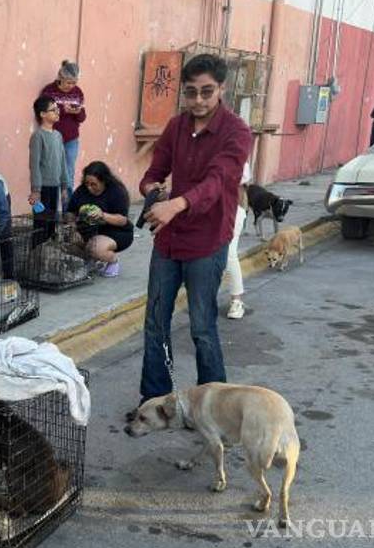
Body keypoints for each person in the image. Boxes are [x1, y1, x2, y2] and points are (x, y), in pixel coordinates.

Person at [132, 53, 252, 410]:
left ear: (221, 89)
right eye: (190, 92)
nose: (198, 100)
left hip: (207, 240)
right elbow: (153, 172)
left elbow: (218, 180)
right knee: (155, 322)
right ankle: (156, 401)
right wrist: (152, 189)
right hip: (169, 239)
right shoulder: (176, 126)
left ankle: (215, 406)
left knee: (202, 326)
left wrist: (177, 204)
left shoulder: (237, 132)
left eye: (206, 91)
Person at [65, 161, 134, 278]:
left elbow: (122, 220)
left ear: (104, 181)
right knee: (69, 240)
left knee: (95, 247)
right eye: (87, 183)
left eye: (94, 184)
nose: (89, 187)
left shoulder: (116, 192)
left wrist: (103, 215)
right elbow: (70, 212)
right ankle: (91, 260)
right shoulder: (81, 191)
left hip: (115, 232)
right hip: (88, 230)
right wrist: (71, 224)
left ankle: (112, 260)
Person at [39, 60, 86, 199]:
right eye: (68, 82)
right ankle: (49, 206)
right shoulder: (49, 91)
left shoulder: (78, 92)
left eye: (74, 83)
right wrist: (63, 111)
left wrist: (77, 112)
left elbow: (82, 117)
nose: (71, 86)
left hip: (71, 139)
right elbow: (42, 114)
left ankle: (67, 207)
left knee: (68, 173)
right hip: (51, 138)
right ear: (60, 77)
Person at [29, 96, 70, 247]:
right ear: (42, 114)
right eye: (53, 110)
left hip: (55, 187)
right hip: (42, 188)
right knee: (41, 224)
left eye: (57, 109)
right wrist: (36, 190)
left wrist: (64, 185)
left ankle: (49, 252)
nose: (57, 112)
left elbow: (63, 161)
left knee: (52, 223)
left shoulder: (58, 136)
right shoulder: (38, 136)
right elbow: (34, 165)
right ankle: (37, 253)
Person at [225, 162, 252, 319]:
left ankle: (236, 300)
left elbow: (240, 189)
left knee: (229, 253)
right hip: (205, 210)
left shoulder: (237, 156)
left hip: (232, 210)